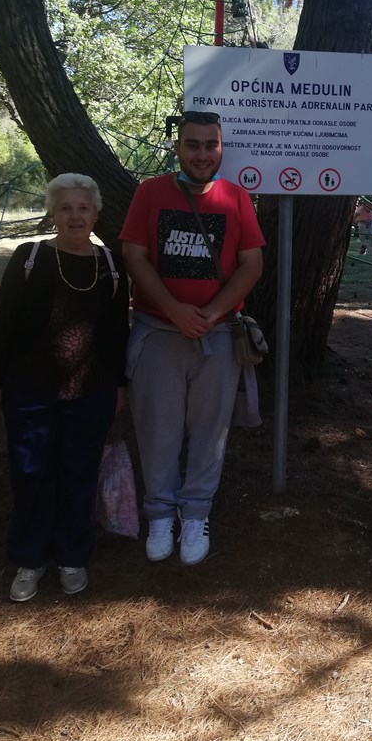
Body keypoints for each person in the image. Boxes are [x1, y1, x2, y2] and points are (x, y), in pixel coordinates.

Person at [120, 110, 264, 566]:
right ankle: (160, 514)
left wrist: (212, 313)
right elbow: (134, 256)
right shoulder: (150, 193)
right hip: (158, 332)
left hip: (218, 335)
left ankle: (196, 514)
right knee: (157, 428)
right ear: (178, 147)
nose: (202, 154)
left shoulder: (237, 197)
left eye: (211, 145)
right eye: (193, 144)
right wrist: (173, 310)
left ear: (222, 148)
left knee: (210, 432)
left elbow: (251, 265)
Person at [0, 174, 129, 602]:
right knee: (30, 475)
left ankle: (72, 556)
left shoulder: (112, 265)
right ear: (53, 213)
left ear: (96, 214)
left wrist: (121, 385)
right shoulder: (28, 259)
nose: (74, 216)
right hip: (29, 391)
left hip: (92, 391)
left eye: (83, 208)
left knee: (78, 474)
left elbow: (118, 332)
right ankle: (29, 559)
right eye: (65, 208)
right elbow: (3, 326)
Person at [354, 196, 372, 261]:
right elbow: (354, 217)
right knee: (361, 228)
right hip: (362, 221)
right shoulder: (360, 210)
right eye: (368, 204)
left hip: (371, 221)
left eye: (371, 204)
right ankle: (363, 245)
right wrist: (353, 222)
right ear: (364, 203)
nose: (369, 206)